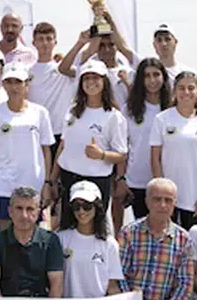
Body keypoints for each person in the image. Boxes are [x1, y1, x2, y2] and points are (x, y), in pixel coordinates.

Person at [49, 57, 128, 224]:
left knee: (94, 232)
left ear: (105, 82)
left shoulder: (114, 116)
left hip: (97, 181)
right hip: (68, 179)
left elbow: (121, 155)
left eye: (96, 78)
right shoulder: (72, 111)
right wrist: (52, 179)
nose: (91, 82)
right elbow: (63, 145)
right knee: (67, 230)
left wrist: (101, 155)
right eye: (86, 78)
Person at [0, 63, 55, 225]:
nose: (14, 87)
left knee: (31, 238)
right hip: (4, 185)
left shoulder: (40, 113)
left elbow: (46, 151)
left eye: (18, 82)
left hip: (33, 184)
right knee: (5, 237)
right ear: (4, 84)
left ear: (26, 84)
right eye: (9, 82)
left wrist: (47, 184)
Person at [151, 71, 197, 229]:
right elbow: (155, 158)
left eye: (191, 88)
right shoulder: (162, 119)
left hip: (195, 197)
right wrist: (159, 192)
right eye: (181, 88)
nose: (186, 92)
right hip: (168, 197)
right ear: (174, 91)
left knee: (191, 242)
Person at [119, 57, 173, 226]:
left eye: (156, 75)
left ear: (164, 77)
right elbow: (123, 147)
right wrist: (121, 178)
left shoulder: (173, 108)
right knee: (144, 230)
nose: (152, 80)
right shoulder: (129, 109)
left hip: (170, 179)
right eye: (146, 76)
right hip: (138, 180)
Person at [57, 181, 123, 298]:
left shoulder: (109, 244)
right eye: (77, 207)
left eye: (87, 206)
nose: (81, 211)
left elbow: (112, 285)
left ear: (96, 207)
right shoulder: (61, 238)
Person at [26, 23, 76, 161]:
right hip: (36, 131)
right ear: (34, 43)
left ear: (55, 42)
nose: (45, 43)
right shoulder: (26, 71)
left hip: (61, 132)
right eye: (41, 39)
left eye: (49, 39)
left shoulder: (64, 69)